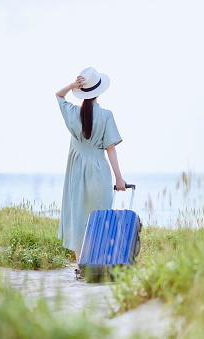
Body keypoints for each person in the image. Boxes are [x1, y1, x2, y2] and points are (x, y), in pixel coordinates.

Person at [56, 67, 127, 277]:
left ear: (82, 91)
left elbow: (58, 96)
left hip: (76, 172)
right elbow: (110, 149)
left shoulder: (72, 112)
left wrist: (71, 86)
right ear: (99, 91)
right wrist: (119, 177)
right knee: (98, 216)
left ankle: (81, 268)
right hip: (99, 171)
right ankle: (99, 264)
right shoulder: (106, 115)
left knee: (78, 217)